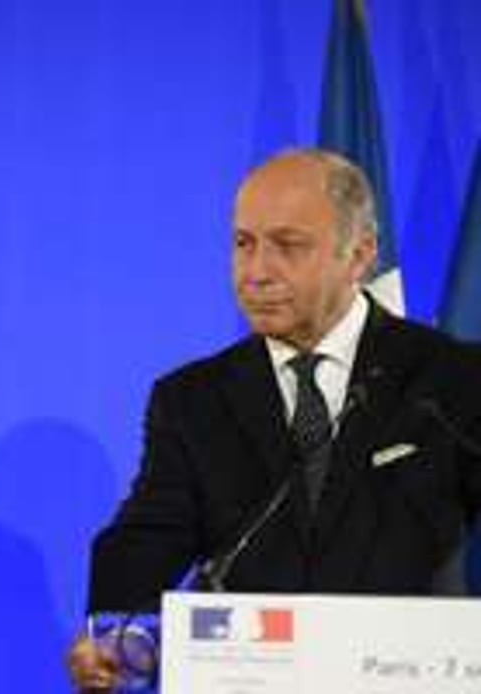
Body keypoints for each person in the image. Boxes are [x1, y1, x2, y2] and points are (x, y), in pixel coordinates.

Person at [67, 148, 481, 691]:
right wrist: (118, 633)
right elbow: (149, 536)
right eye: (244, 243)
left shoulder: (450, 381)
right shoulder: (193, 399)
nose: (256, 271)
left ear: (360, 255)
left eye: (288, 246)